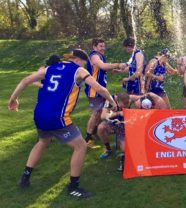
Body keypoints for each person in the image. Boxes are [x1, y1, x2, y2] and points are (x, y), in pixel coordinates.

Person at [8, 49, 117, 198]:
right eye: (84, 63)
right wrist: (111, 101)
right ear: (79, 60)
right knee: (80, 146)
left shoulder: (50, 68)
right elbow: (98, 88)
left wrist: (13, 99)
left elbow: (26, 80)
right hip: (57, 117)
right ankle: (73, 187)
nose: (84, 66)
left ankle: (25, 178)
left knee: (42, 142)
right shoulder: (78, 70)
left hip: (39, 115)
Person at [84, 38, 127, 148]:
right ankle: (87, 139)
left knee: (98, 113)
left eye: (104, 46)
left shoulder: (99, 56)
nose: (103, 48)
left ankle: (94, 133)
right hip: (94, 90)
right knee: (96, 113)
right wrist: (117, 64)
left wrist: (113, 69)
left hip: (99, 89)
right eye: (100, 46)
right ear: (94, 47)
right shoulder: (94, 55)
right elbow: (102, 66)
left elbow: (101, 69)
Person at [97, 93, 130, 171]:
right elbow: (103, 116)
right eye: (123, 105)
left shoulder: (129, 98)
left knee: (125, 150)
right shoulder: (110, 101)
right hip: (113, 124)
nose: (125, 106)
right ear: (117, 102)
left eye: (127, 104)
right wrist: (118, 113)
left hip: (124, 126)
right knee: (101, 128)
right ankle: (108, 149)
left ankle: (122, 146)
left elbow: (140, 97)